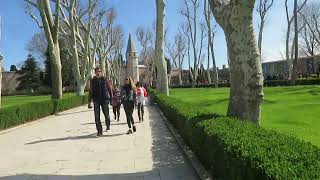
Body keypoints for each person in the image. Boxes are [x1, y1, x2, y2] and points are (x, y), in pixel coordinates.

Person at [88, 67, 113, 136]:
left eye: (99, 71)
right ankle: (99, 131)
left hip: (105, 99)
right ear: (95, 73)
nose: (98, 73)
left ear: (101, 72)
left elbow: (109, 89)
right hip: (96, 100)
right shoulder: (92, 81)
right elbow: (91, 91)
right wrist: (89, 101)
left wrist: (111, 98)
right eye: (96, 72)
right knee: (96, 116)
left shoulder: (105, 79)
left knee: (106, 114)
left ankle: (108, 125)